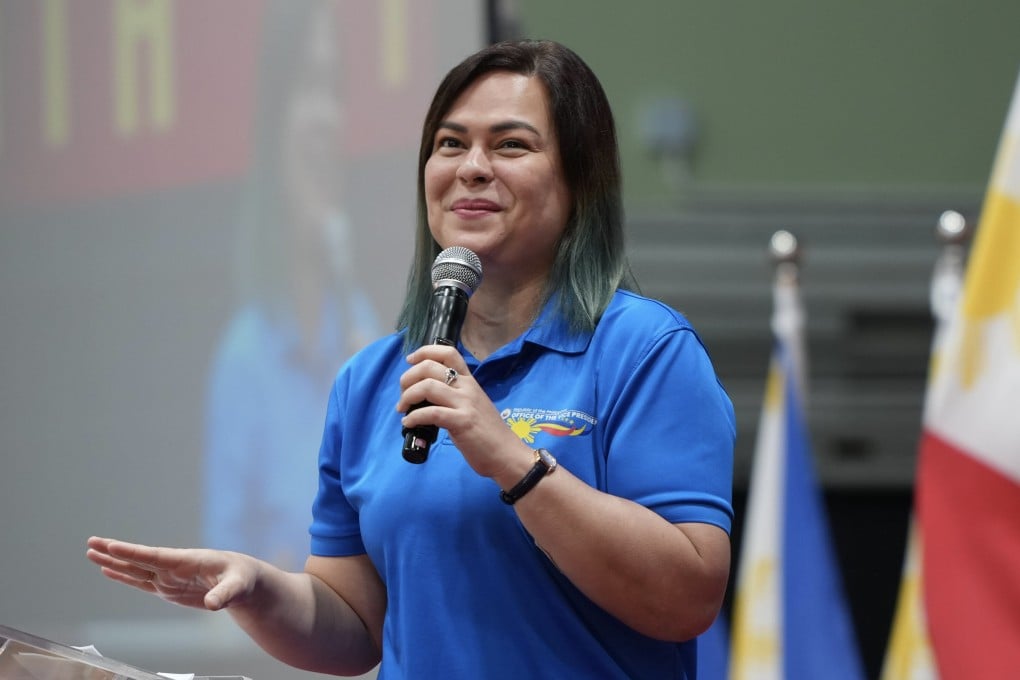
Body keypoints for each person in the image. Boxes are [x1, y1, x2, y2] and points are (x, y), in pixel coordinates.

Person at [88, 39, 734, 679]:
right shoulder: (370, 380)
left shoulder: (644, 351)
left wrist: (508, 457)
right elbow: (355, 625)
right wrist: (259, 589)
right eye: (450, 144)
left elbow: (686, 598)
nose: (471, 168)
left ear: (579, 180)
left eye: (510, 145)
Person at [203, 0, 379, 570]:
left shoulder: (366, 329)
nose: (327, 116)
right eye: (307, 87)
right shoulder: (244, 359)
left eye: (335, 89)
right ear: (271, 119)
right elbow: (212, 599)